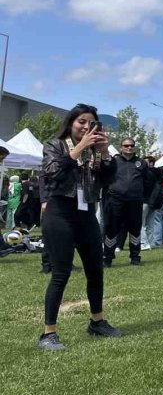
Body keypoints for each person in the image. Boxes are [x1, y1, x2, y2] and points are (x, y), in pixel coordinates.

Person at [38, 103, 122, 350]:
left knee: (95, 270)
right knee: (61, 273)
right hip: (59, 213)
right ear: (71, 123)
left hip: (86, 214)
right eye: (81, 122)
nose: (86, 127)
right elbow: (52, 172)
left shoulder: (96, 151)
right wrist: (79, 149)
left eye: (91, 123)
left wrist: (104, 152)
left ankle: (97, 322)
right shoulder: (55, 145)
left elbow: (109, 179)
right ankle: (48, 333)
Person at [103, 138, 152, 266]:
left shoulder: (141, 163)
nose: (129, 147)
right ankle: (107, 257)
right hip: (116, 200)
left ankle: (135, 257)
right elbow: (105, 176)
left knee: (135, 229)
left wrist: (141, 194)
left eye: (131, 145)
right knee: (112, 229)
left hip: (135, 201)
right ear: (121, 147)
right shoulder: (114, 161)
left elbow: (148, 180)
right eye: (126, 145)